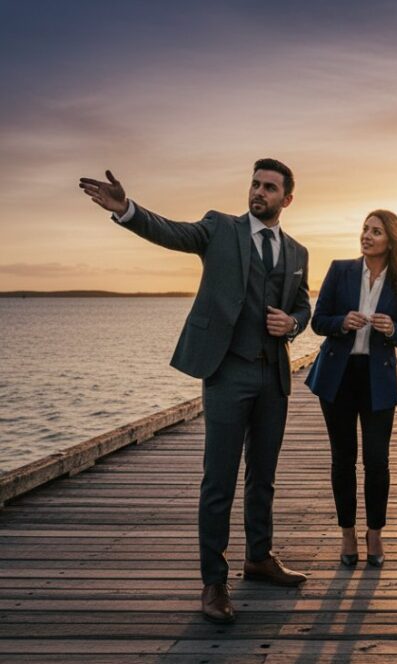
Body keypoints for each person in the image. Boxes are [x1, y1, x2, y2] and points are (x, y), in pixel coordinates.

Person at [78, 160, 312, 625]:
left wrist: (294, 324)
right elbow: (171, 232)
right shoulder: (219, 228)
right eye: (255, 184)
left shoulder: (298, 251)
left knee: (263, 475)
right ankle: (213, 581)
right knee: (218, 480)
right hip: (227, 373)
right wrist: (127, 210)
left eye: (269, 188)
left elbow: (302, 302)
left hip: (274, 377)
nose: (258, 192)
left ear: (286, 199)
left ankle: (259, 557)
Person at [305, 210, 397, 568]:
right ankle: (347, 534)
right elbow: (318, 321)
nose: (367, 236)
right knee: (343, 459)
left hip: (377, 379)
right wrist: (343, 322)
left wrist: (391, 329)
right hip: (337, 377)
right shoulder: (340, 270)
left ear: (391, 240)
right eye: (365, 229)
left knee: (377, 461)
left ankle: (375, 534)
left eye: (376, 231)